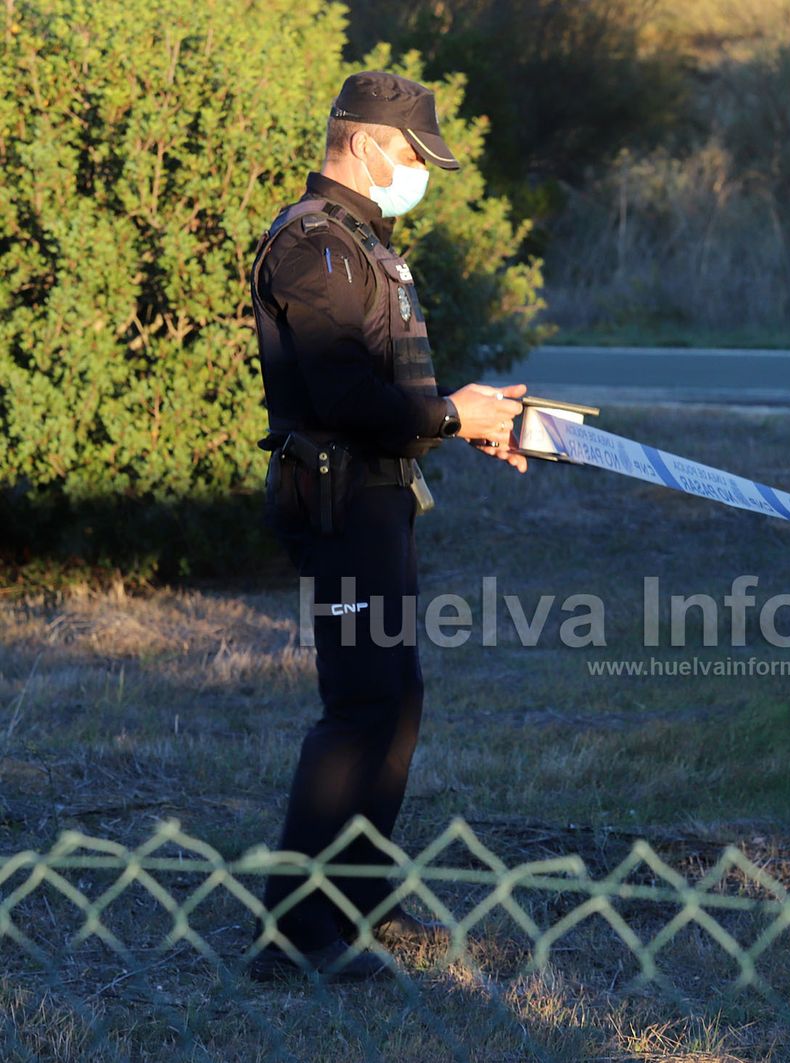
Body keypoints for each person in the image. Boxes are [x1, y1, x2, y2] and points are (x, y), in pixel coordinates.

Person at [247, 71, 530, 981]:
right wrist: (449, 415)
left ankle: (358, 902)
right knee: (360, 707)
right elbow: (343, 396)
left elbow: (386, 389)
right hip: (337, 503)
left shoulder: (359, 241)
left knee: (396, 701)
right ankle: (295, 937)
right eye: (412, 153)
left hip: (376, 495)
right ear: (365, 141)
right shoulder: (313, 247)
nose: (419, 173)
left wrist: (467, 420)